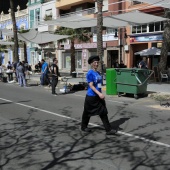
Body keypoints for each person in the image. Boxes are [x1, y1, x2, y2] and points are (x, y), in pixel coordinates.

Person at [81, 55, 117, 135]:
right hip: (91, 97)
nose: (96, 64)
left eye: (97, 62)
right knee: (87, 113)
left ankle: (108, 129)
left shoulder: (98, 73)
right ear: (91, 63)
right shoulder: (90, 73)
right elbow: (91, 85)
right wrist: (99, 93)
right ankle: (83, 127)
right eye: (95, 62)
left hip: (98, 96)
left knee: (103, 112)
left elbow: (99, 84)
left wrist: (101, 91)